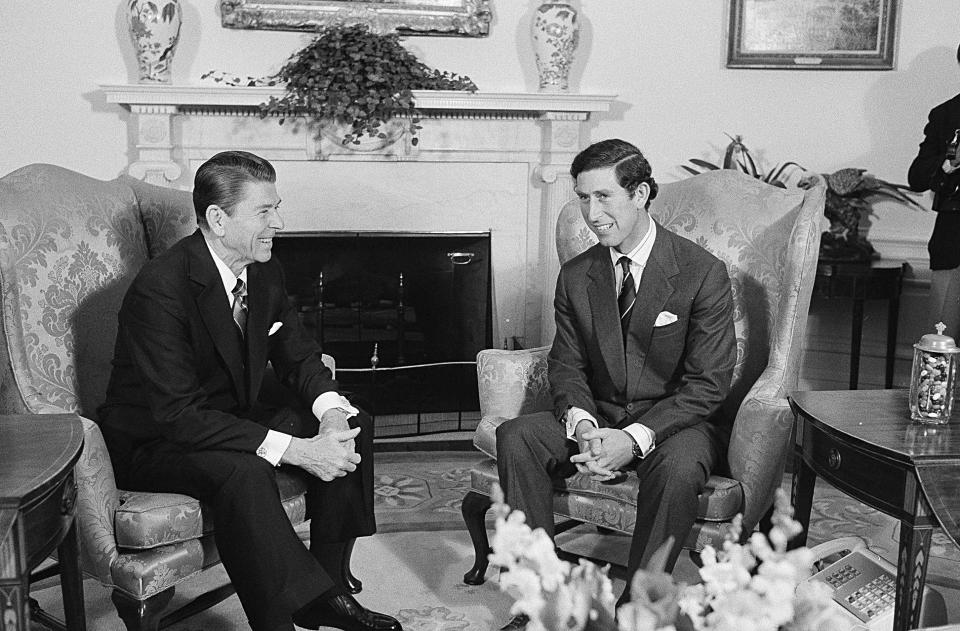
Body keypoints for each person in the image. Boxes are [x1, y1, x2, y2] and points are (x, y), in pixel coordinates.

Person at [97, 151, 403, 631]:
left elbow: (299, 356)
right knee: (245, 471)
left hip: (228, 415)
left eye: (277, 207)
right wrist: (297, 450)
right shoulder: (161, 288)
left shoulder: (263, 271)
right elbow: (179, 416)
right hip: (157, 439)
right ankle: (281, 616)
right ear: (218, 219)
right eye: (264, 211)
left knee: (353, 422)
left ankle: (328, 585)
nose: (278, 222)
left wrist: (330, 417)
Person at [495, 139, 736, 629]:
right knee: (516, 435)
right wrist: (583, 423)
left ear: (642, 192)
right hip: (599, 413)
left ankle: (636, 610)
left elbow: (708, 384)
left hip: (676, 422)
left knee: (678, 470)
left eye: (604, 197)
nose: (592, 213)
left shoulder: (701, 272)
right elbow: (567, 364)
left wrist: (633, 439)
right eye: (583, 198)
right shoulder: (577, 274)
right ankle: (543, 598)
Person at [908, 43, 960, 337]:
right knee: (942, 346)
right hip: (954, 237)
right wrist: (948, 163)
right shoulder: (947, 115)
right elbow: (916, 177)